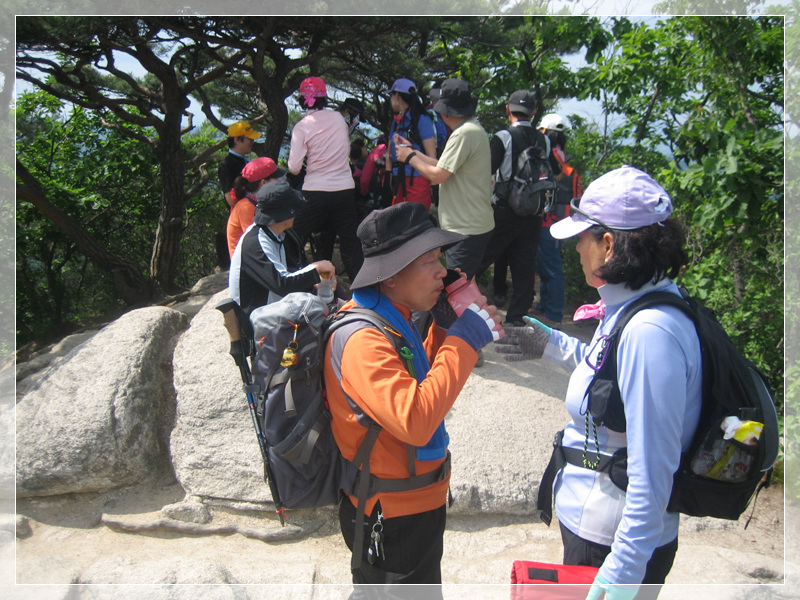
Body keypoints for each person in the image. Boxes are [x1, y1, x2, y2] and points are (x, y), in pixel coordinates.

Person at [494, 166, 702, 599]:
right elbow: (608, 373)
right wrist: (551, 344)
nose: (575, 251)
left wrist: (621, 574)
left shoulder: (651, 332)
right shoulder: (636, 304)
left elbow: (653, 470)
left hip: (610, 540)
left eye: (581, 239)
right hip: (598, 528)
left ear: (608, 244)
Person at [325, 202, 503, 593]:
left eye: (439, 257)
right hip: (390, 517)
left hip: (415, 505)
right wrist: (466, 338)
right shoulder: (361, 339)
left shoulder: (393, 316)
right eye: (429, 261)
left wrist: (443, 328)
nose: (443, 270)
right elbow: (415, 420)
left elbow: (419, 380)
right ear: (389, 276)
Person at [394, 78, 493, 281]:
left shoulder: (463, 134)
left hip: (465, 227)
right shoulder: (472, 129)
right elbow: (440, 165)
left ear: (446, 111)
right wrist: (413, 150)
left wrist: (409, 158)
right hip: (473, 224)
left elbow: (438, 175)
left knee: (455, 286)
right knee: (466, 282)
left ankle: (462, 314)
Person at [478, 90, 562, 327]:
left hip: (504, 209)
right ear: (533, 112)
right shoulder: (543, 140)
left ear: (508, 110)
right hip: (534, 212)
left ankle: (464, 303)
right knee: (524, 264)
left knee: (483, 257)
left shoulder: (502, 137)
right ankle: (516, 317)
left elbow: (487, 170)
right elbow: (555, 172)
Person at [288, 76, 364, 280]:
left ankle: (304, 280)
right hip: (345, 190)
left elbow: (294, 168)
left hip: (316, 191)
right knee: (350, 243)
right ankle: (362, 294)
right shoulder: (339, 119)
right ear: (325, 97)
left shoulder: (302, 127)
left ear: (303, 100)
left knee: (294, 236)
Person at [229, 178, 335, 319]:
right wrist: (316, 269)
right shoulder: (255, 242)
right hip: (259, 322)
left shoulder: (273, 234)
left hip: (272, 310)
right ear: (284, 214)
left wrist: (314, 278)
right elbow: (282, 284)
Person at [533, 113, 583, 326]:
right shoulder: (565, 161)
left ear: (544, 132)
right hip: (561, 221)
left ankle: (552, 313)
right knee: (548, 264)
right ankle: (545, 305)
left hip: (548, 221)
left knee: (551, 267)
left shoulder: (550, 159)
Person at [216, 120, 262, 269]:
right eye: (249, 138)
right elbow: (230, 199)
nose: (252, 141)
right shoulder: (227, 165)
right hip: (241, 214)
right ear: (237, 140)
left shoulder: (244, 161)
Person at [386, 78, 438, 210]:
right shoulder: (397, 121)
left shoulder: (422, 120)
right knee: (399, 225)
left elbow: (433, 160)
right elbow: (390, 153)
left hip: (417, 181)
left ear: (397, 95)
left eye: (391, 95)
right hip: (398, 180)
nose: (390, 99)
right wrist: (388, 178)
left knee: (417, 225)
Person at [226, 157, 285, 258]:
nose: (279, 181)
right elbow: (258, 242)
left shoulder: (256, 203)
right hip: (250, 267)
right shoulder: (247, 207)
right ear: (264, 183)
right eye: (276, 178)